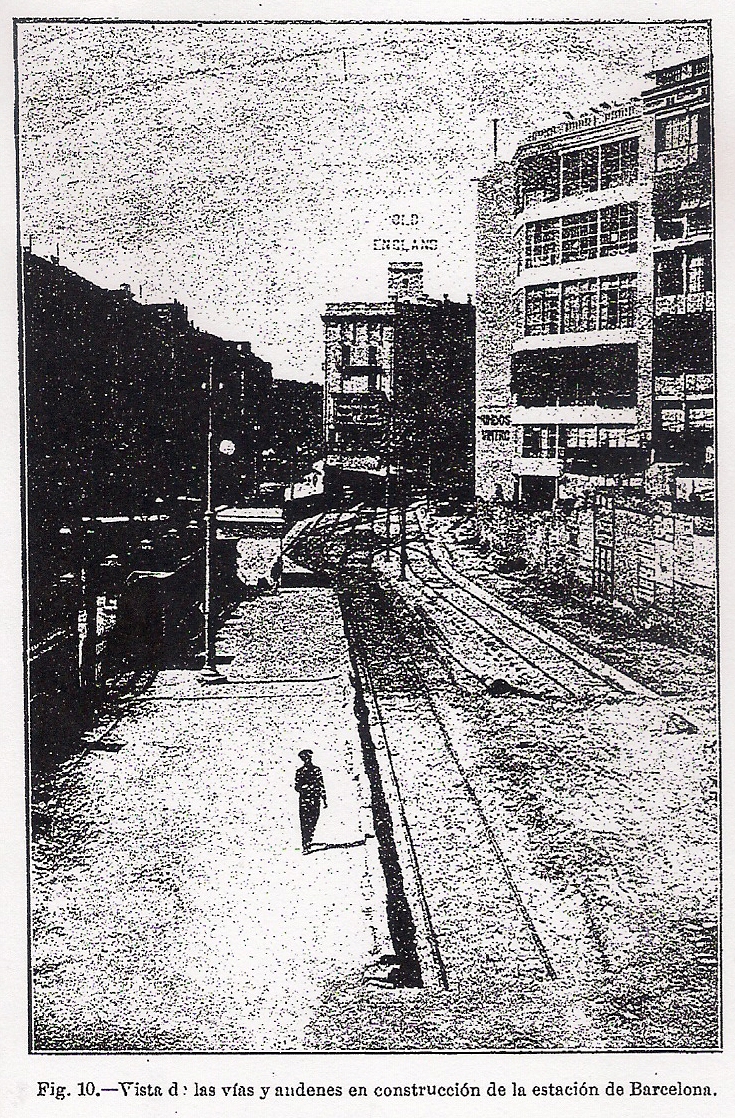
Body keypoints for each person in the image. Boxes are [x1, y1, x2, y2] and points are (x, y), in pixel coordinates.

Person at [295, 749, 327, 853]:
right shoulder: (299, 772)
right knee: (305, 821)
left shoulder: (317, 770)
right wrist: (307, 788)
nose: (307, 760)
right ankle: (306, 844)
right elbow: (297, 787)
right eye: (305, 758)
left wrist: (324, 798)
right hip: (305, 799)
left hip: (315, 799)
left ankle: (308, 840)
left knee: (313, 820)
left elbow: (321, 784)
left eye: (308, 758)